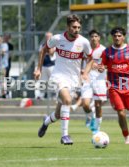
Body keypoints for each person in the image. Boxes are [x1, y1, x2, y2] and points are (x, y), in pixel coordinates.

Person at [34, 14, 93, 145]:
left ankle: (45, 122)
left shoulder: (84, 42)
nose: (76, 29)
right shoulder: (57, 38)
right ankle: (65, 136)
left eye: (78, 27)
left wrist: (85, 72)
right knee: (67, 100)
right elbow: (43, 50)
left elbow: (91, 58)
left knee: (58, 114)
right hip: (58, 76)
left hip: (73, 80)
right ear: (68, 27)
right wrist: (38, 69)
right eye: (73, 27)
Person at [98, 26, 129, 144]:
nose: (117, 38)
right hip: (113, 87)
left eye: (119, 36)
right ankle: (127, 137)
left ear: (124, 37)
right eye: (115, 36)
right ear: (112, 37)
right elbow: (103, 65)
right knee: (121, 112)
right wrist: (101, 68)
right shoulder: (107, 52)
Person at [71, 29, 107, 134]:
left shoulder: (103, 50)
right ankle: (90, 117)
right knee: (86, 104)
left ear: (99, 38)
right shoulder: (85, 49)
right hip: (87, 80)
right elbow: (80, 61)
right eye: (92, 36)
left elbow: (107, 63)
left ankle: (97, 128)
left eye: (96, 36)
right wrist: (81, 71)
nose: (94, 38)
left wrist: (103, 67)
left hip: (99, 80)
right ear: (89, 38)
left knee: (98, 105)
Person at [36, 32, 56, 100]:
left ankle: (53, 95)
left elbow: (51, 53)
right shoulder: (42, 45)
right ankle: (41, 95)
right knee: (43, 81)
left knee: (52, 81)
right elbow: (40, 54)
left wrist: (48, 48)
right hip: (44, 65)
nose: (48, 38)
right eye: (47, 37)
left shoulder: (54, 45)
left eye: (49, 37)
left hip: (52, 65)